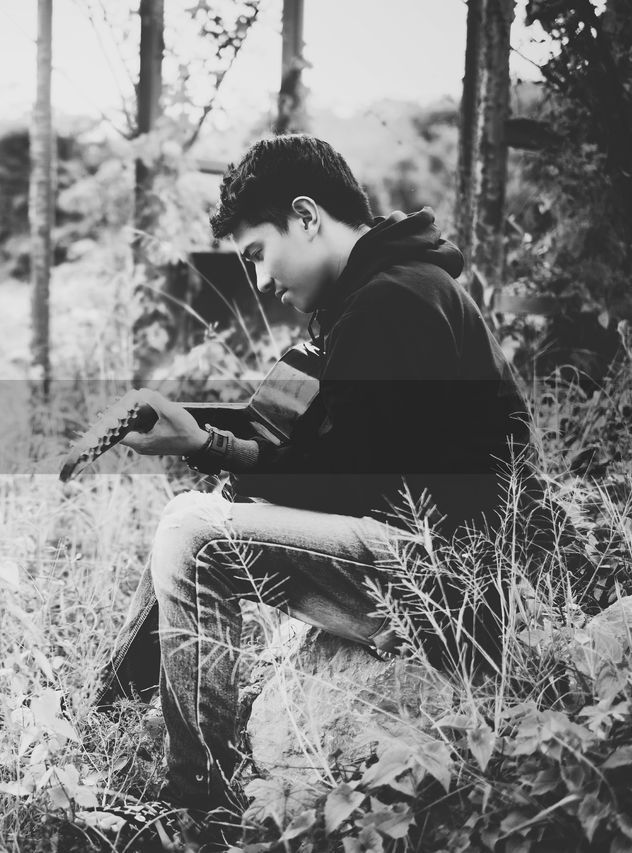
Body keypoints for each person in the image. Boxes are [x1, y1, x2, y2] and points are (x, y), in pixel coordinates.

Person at [83, 135, 545, 851]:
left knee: (192, 530)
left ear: (306, 216)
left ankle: (197, 809)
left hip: (443, 586)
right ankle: (116, 698)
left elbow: (348, 477)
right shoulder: (374, 295)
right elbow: (319, 445)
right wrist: (197, 426)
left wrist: (202, 444)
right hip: (420, 563)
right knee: (210, 511)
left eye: (258, 252)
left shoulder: (398, 301)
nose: (261, 279)